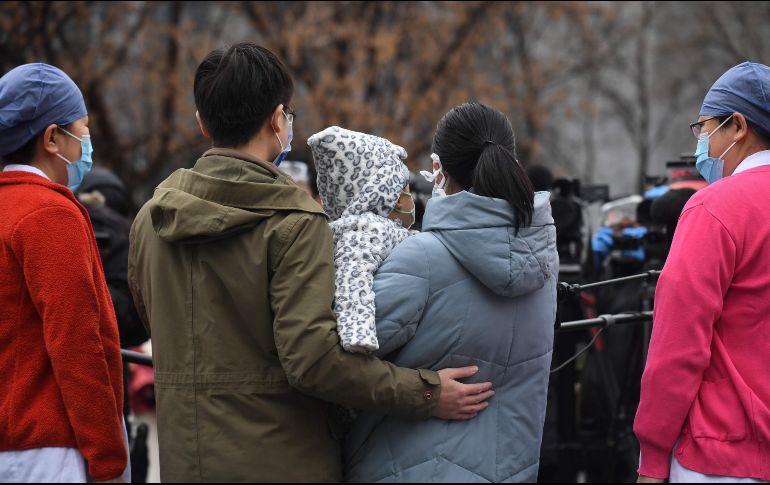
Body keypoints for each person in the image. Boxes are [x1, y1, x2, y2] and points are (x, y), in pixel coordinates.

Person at [127, 43, 493, 482]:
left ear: (202, 121)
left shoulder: (151, 218)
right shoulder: (294, 221)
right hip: (284, 461)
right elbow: (314, 362)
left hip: (185, 462)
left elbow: (153, 321)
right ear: (278, 119)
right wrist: (427, 394)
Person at [344, 102, 559, 483]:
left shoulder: (422, 258)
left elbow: (341, 362)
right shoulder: (542, 257)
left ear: (438, 170)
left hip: (408, 467)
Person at [634, 62, 770, 483]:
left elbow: (678, 347)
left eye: (705, 128)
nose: (702, 143)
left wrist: (652, 458)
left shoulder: (715, 208)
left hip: (722, 454)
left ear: (738, 126)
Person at [0, 63, 127, 482]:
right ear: (52, 138)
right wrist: (109, 458)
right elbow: (77, 342)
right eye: (82, 128)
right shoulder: (49, 213)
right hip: (46, 451)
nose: (86, 142)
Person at [308, 126, 416, 353]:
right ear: (394, 197)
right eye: (408, 189)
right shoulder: (366, 229)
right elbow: (352, 277)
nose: (411, 199)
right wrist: (358, 333)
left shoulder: (367, 228)